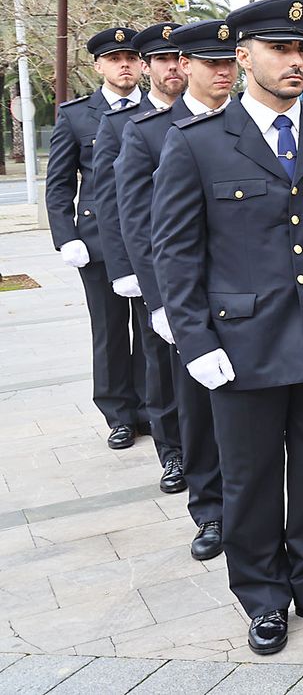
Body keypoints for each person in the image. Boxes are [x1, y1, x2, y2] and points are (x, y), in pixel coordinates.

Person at [152, 0, 303, 655]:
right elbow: (175, 249)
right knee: (250, 476)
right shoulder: (197, 143)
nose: (295, 60)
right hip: (242, 343)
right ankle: (261, 593)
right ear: (244, 56)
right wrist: (195, 340)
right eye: (281, 49)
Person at [119, 19, 236, 562]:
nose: (223, 72)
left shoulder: (250, 125)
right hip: (187, 299)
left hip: (249, 298)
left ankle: (251, 500)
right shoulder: (148, 132)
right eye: (208, 61)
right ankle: (209, 509)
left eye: (229, 60)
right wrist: (161, 301)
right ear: (182, 67)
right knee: (196, 406)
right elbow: (141, 228)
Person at [48, 25, 150, 450]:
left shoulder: (165, 109)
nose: (124, 65)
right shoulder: (76, 115)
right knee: (109, 330)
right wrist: (66, 236)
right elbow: (58, 184)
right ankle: (118, 413)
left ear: (142, 65)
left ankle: (151, 405)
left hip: (148, 239)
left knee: (151, 329)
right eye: (114, 59)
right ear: (99, 66)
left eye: (130, 58)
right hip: (98, 243)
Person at [92, 22, 182, 494]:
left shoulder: (207, 117)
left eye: (178, 58)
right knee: (159, 362)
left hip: (198, 265)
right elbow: (111, 204)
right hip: (149, 264)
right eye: (162, 60)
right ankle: (172, 453)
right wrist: (125, 269)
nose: (172, 67)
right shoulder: (122, 125)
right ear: (146, 67)